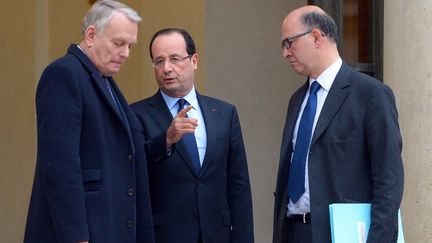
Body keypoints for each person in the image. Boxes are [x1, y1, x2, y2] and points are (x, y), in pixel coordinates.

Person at [24, 1, 154, 243]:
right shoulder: (63, 74)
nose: (126, 53)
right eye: (118, 43)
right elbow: (60, 166)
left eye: (130, 46)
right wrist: (77, 238)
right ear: (91, 35)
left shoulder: (104, 79)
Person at [273, 5, 404, 243]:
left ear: (315, 36)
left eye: (288, 43)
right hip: (294, 232)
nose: (285, 53)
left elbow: (389, 180)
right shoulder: (297, 101)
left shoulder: (370, 94)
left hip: (342, 234)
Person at [130, 28, 254, 243]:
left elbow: (238, 185)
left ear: (194, 60)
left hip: (217, 234)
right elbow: (133, 172)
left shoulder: (224, 113)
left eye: (175, 59)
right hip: (165, 235)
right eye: (159, 61)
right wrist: (166, 140)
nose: (166, 68)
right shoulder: (136, 114)